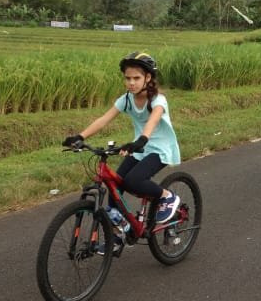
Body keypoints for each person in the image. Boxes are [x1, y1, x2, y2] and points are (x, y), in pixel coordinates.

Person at [62, 52, 182, 241]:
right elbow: (104, 119)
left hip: (159, 149)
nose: (131, 83)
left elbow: (152, 121)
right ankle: (122, 234)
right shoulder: (126, 99)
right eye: (128, 78)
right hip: (139, 148)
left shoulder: (158, 100)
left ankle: (167, 196)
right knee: (116, 186)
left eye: (136, 78)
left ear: (148, 78)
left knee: (134, 180)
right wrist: (80, 136)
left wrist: (141, 140)